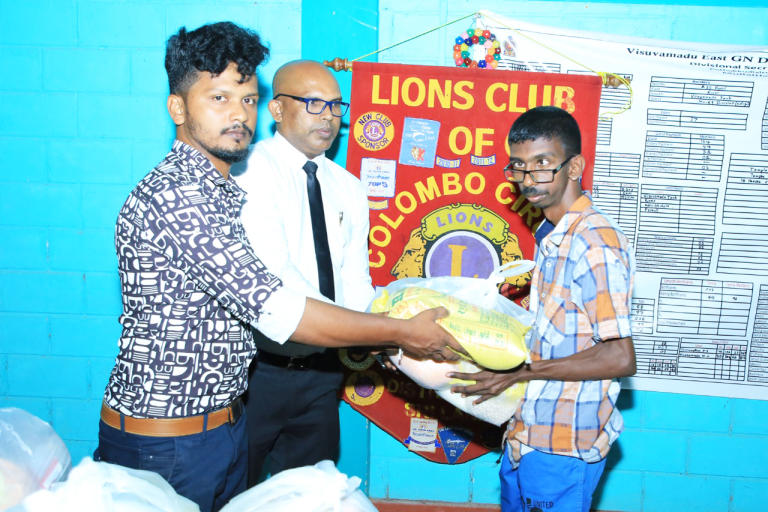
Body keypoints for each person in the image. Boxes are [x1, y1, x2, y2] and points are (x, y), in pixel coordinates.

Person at [94, 22, 463, 512]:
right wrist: (400, 332)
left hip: (221, 423)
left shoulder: (219, 190)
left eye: (247, 99)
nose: (238, 114)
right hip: (169, 439)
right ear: (178, 108)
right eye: (219, 98)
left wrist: (392, 332)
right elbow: (278, 308)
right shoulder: (180, 197)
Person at [449, 106, 637, 512]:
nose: (528, 179)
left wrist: (522, 372)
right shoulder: (550, 235)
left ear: (575, 167)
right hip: (528, 432)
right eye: (519, 166)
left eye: (542, 164)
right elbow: (552, 336)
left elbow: (619, 356)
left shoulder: (594, 241)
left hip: (564, 443)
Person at [233, 60, 372, 486]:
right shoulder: (249, 170)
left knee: (310, 494)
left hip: (322, 374)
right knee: (234, 495)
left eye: (336, 105)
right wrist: (355, 328)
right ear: (277, 109)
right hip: (256, 372)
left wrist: (379, 329)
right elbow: (277, 273)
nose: (328, 116)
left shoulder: (349, 186)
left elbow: (356, 281)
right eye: (314, 103)